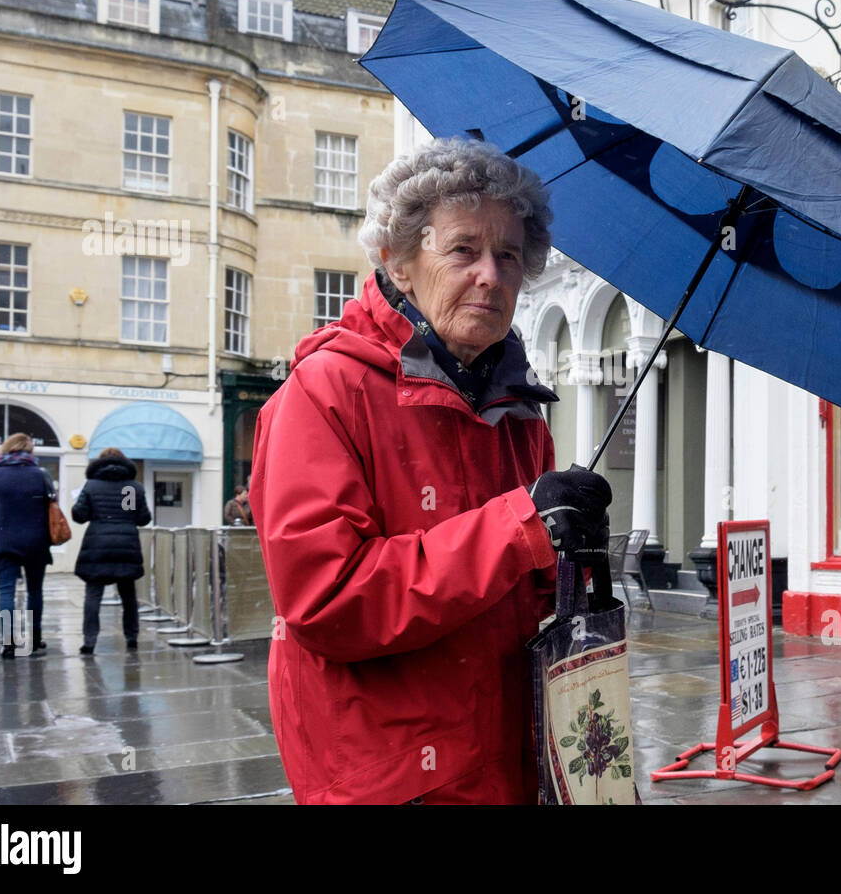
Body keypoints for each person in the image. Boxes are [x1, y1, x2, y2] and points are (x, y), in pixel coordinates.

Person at [250, 137, 612, 804]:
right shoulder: (324, 392)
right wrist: (521, 527)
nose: (491, 274)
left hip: (503, 762)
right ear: (399, 262)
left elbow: (516, 598)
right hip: (390, 773)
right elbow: (327, 602)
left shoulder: (518, 409)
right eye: (463, 249)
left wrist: (572, 563)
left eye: (509, 255)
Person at [70, 447, 152, 655]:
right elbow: (142, 518)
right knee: (128, 595)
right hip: (126, 543)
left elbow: (80, 515)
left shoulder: (92, 485)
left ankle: (89, 641)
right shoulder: (130, 488)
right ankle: (131, 637)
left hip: (97, 543)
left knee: (93, 594)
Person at [0, 433, 53, 658]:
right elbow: (51, 502)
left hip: (4, 538)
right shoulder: (40, 474)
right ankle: (34, 639)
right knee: (35, 591)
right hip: (35, 538)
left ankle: (8, 642)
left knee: (6, 591)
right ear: (29, 450)